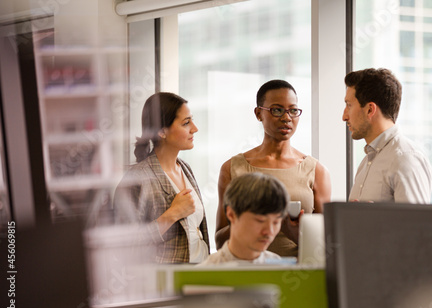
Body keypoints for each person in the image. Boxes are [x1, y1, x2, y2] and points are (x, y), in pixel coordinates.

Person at [215, 79, 332, 257]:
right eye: (277, 110)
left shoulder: (316, 171)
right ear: (258, 113)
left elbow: (327, 245)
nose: (286, 118)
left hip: (299, 275)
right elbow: (219, 241)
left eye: (293, 110)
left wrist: (296, 234)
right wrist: (247, 220)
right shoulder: (232, 168)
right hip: (246, 272)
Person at [114, 92, 210, 264]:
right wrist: (172, 214)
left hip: (201, 272)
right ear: (162, 132)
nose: (194, 128)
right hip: (166, 282)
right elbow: (124, 245)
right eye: (186, 123)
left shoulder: (185, 168)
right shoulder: (137, 178)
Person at [343, 68, 432, 203]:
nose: (344, 116)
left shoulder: (406, 158)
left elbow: (418, 223)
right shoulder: (366, 162)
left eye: (349, 105)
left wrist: (375, 219)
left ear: (370, 109)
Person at [200, 173, 288, 265]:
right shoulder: (204, 273)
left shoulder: (279, 269)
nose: (269, 232)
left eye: (276, 222)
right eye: (260, 221)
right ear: (231, 214)